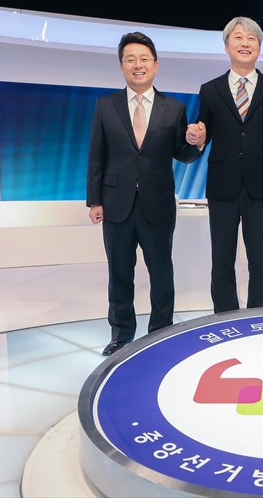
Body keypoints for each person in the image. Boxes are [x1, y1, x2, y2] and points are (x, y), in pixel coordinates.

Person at [87, 32, 202, 356]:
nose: (137, 65)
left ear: (155, 64)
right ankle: (121, 335)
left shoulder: (174, 108)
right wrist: (94, 200)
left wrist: (196, 143)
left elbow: (182, 153)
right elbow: (96, 155)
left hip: (158, 203)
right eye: (130, 59)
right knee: (119, 273)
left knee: (161, 271)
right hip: (116, 204)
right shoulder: (105, 106)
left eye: (144, 59)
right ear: (122, 65)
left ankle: (161, 332)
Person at [186, 17, 263, 313]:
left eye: (252, 39)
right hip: (222, 184)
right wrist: (198, 138)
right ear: (226, 46)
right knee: (221, 258)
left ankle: (258, 316)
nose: (245, 43)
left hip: (260, 184)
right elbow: (204, 130)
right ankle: (224, 317)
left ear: (259, 48)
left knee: (260, 258)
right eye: (238, 38)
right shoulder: (210, 89)